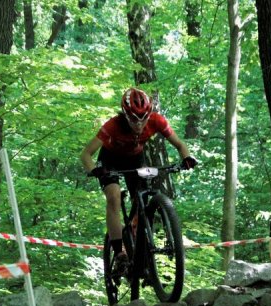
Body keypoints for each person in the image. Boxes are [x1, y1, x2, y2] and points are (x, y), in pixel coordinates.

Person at [80, 87, 197, 276]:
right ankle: (119, 253)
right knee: (113, 196)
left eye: (144, 118)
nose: (139, 124)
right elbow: (86, 154)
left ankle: (137, 237)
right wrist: (94, 170)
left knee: (142, 196)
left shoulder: (157, 121)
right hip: (110, 160)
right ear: (125, 115)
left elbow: (180, 144)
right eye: (134, 119)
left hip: (135, 159)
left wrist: (187, 158)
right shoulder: (113, 125)